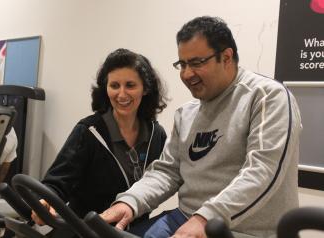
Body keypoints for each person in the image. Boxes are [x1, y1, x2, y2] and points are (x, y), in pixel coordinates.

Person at [100, 16, 302, 238]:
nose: (186, 74)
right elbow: (167, 171)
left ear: (226, 57)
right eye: (182, 64)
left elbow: (263, 171)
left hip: (244, 230)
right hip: (187, 217)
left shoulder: (266, 97)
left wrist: (207, 217)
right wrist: (130, 202)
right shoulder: (186, 113)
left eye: (196, 63)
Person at [31, 48, 168, 229]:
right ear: (106, 88)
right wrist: (45, 201)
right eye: (114, 85)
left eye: (130, 85)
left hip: (134, 232)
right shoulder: (89, 131)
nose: (121, 94)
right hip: (87, 231)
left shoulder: (156, 135)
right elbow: (57, 182)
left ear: (145, 89)